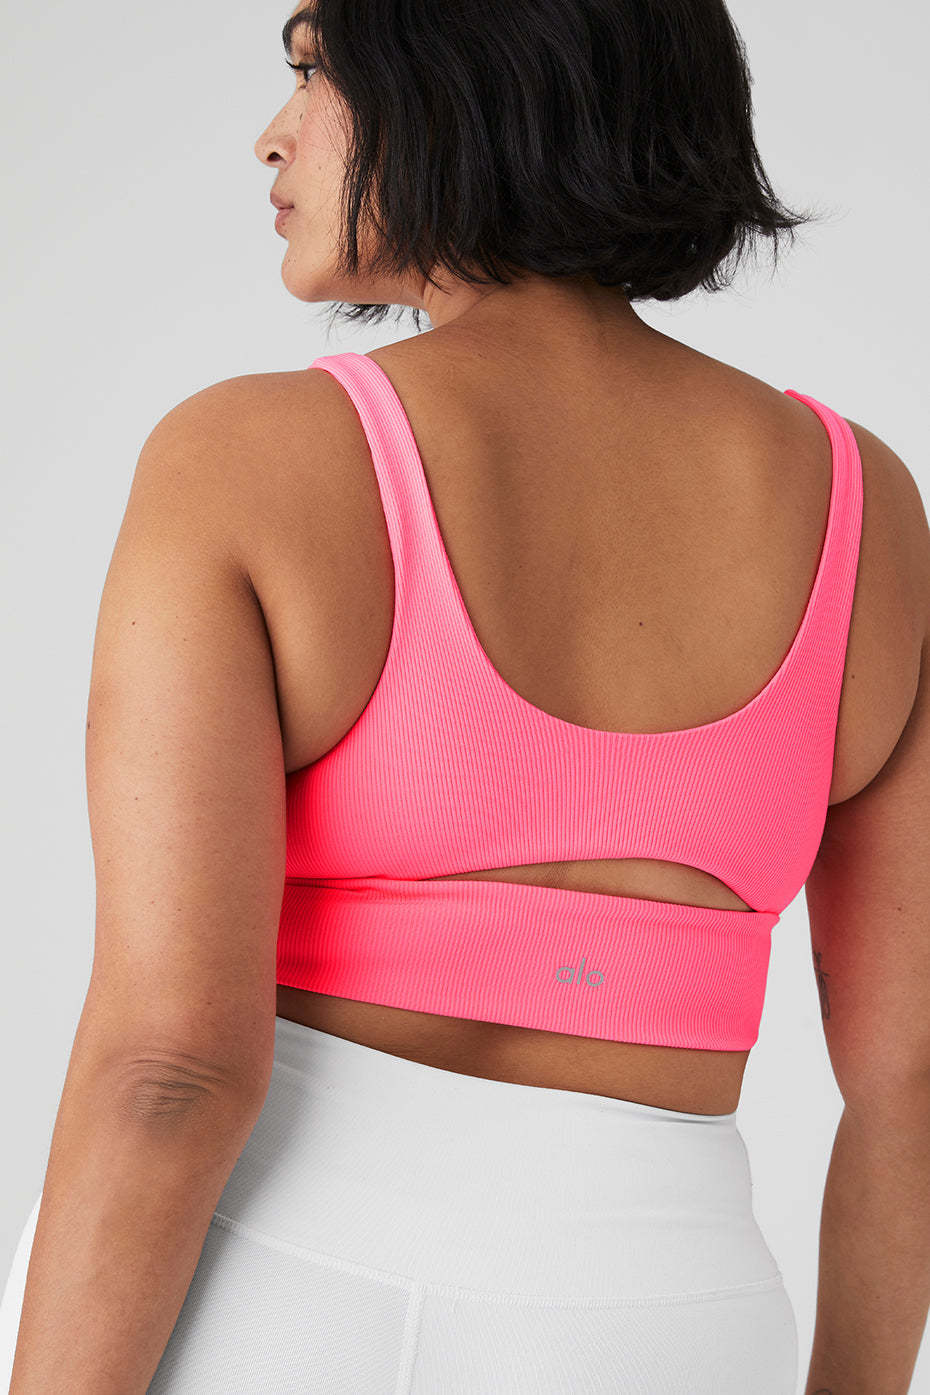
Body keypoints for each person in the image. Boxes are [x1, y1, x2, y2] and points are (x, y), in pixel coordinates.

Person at [3, 2, 929, 1391]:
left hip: (286, 1287)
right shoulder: (861, 505)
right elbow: (912, 1080)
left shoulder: (248, 457)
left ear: (460, 83)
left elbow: (170, 1069)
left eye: (313, 71)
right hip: (675, 1317)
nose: (272, 136)